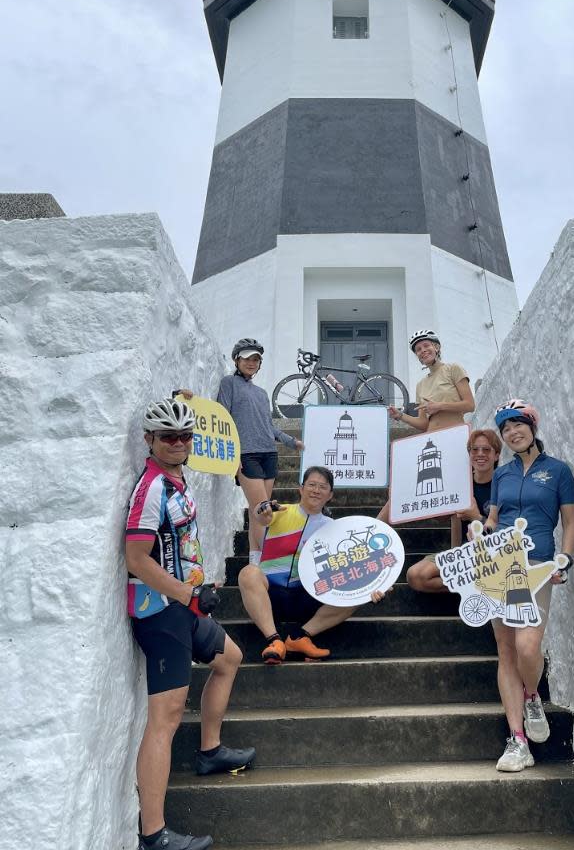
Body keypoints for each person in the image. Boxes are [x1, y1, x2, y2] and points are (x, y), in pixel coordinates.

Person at [126, 397, 256, 850]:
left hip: (186, 606)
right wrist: (187, 592)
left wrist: (198, 581)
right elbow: (137, 559)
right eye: (168, 437)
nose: (178, 444)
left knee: (230, 658)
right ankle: (153, 835)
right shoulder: (151, 490)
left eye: (185, 437)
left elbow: (177, 544)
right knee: (165, 717)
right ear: (150, 440)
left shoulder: (176, 480)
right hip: (159, 612)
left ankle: (209, 751)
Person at [479, 399, 574, 773]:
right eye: (505, 429)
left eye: (518, 425)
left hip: (537, 567)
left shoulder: (558, 472)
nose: (512, 433)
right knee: (506, 651)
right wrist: (482, 535)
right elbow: (492, 519)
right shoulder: (502, 475)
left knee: (527, 644)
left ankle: (532, 693)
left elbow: (569, 522)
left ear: (532, 428)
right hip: (499, 567)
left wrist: (565, 559)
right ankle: (518, 741)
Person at [238, 466, 385, 663]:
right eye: (312, 485)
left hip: (308, 596)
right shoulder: (279, 511)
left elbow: (353, 566)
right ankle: (274, 641)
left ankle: (300, 637)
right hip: (271, 595)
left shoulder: (334, 529)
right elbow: (259, 515)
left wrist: (376, 585)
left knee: (360, 589)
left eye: (322, 487)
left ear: (330, 495)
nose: (316, 490)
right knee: (248, 573)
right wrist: (261, 512)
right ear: (301, 489)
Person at [218, 338, 304, 565]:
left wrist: (290, 441)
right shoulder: (229, 383)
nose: (251, 362)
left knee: (259, 513)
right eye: (247, 357)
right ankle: (268, 560)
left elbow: (269, 426)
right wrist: (231, 457)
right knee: (263, 509)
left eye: (256, 359)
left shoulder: (262, 393)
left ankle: (255, 562)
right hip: (247, 455)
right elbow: (223, 419)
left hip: (269, 454)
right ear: (237, 359)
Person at [378, 328, 475, 523]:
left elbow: (470, 404)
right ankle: (373, 528)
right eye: (418, 350)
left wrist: (440, 405)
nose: (422, 351)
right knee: (400, 491)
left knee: (460, 492)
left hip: (455, 440)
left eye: (426, 346)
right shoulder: (421, 385)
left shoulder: (453, 369)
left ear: (436, 347)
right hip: (432, 440)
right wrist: (400, 416)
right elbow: (423, 423)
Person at [406, 428, 501, 594]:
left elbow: (508, 533)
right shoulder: (459, 482)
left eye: (486, 450)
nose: (480, 454)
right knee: (416, 575)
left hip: (495, 556)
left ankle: (482, 580)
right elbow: (447, 517)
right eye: (474, 450)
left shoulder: (505, 486)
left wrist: (477, 517)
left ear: (497, 455)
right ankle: (472, 583)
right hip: (464, 555)